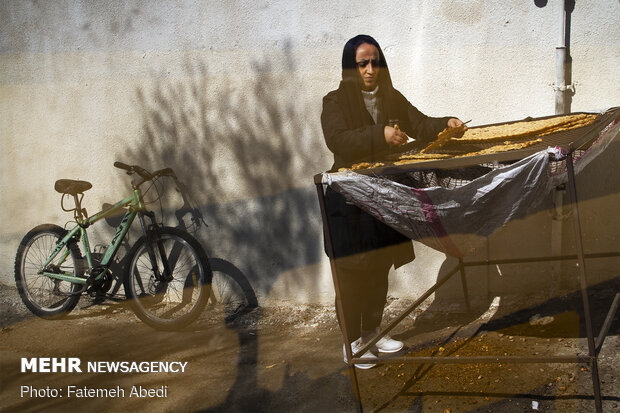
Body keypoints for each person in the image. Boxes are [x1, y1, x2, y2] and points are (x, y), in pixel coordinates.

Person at [321, 34, 466, 368]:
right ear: (350, 68)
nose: (370, 69)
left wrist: (446, 124)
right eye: (362, 64)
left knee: (378, 267)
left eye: (375, 62)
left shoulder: (390, 97)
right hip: (348, 202)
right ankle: (352, 343)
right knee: (352, 272)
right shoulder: (335, 102)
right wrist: (380, 134)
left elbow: (419, 123)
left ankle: (372, 332)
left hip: (383, 197)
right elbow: (337, 139)